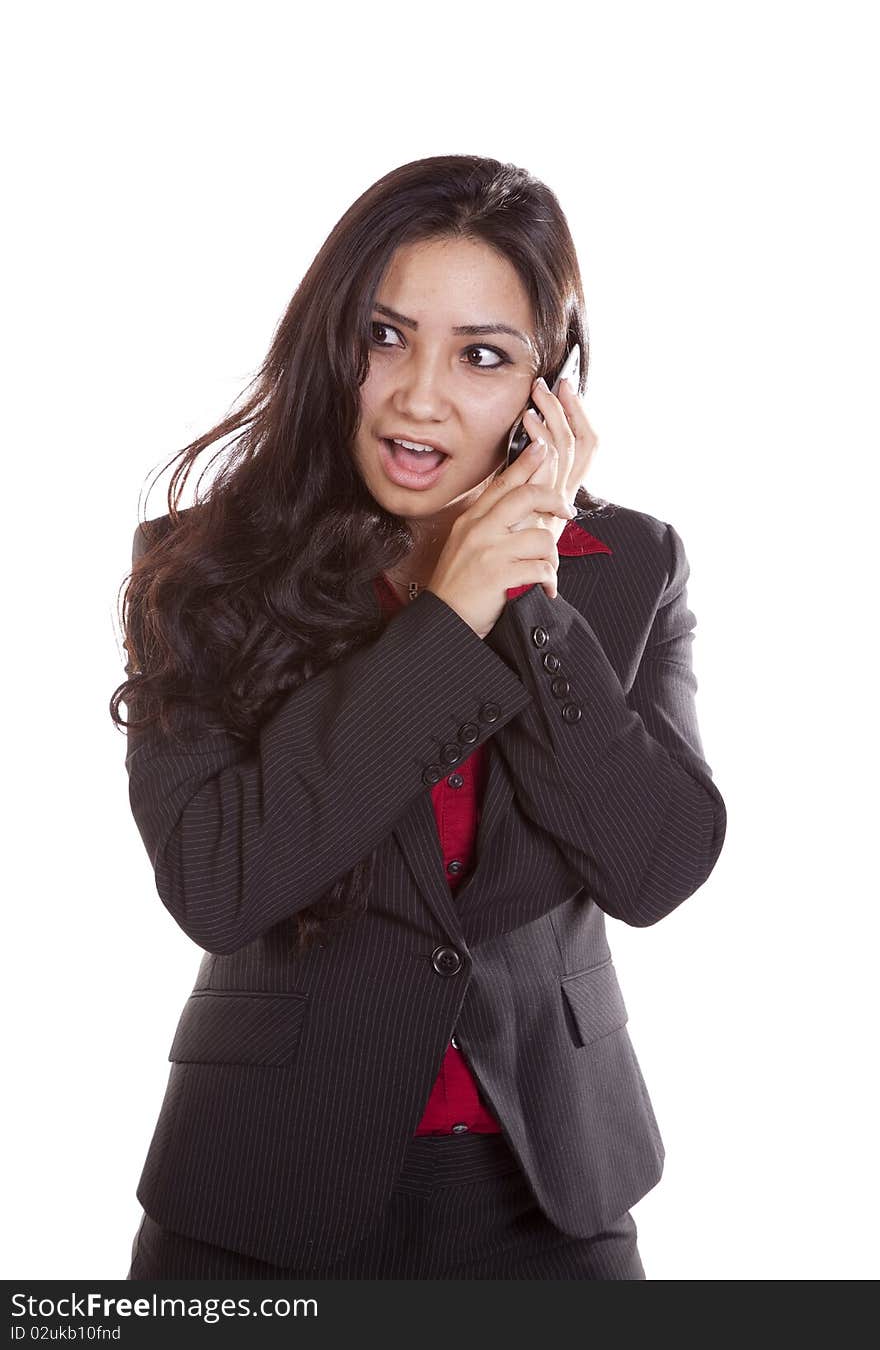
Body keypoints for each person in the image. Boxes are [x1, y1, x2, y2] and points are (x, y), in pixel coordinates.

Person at [111, 154, 727, 1281]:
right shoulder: (202, 565)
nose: (418, 394)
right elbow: (218, 879)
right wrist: (446, 618)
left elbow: (655, 866)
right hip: (260, 1189)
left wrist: (527, 596)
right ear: (327, 341)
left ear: (549, 392)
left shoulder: (630, 564)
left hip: (550, 1186)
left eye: (482, 356)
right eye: (384, 336)